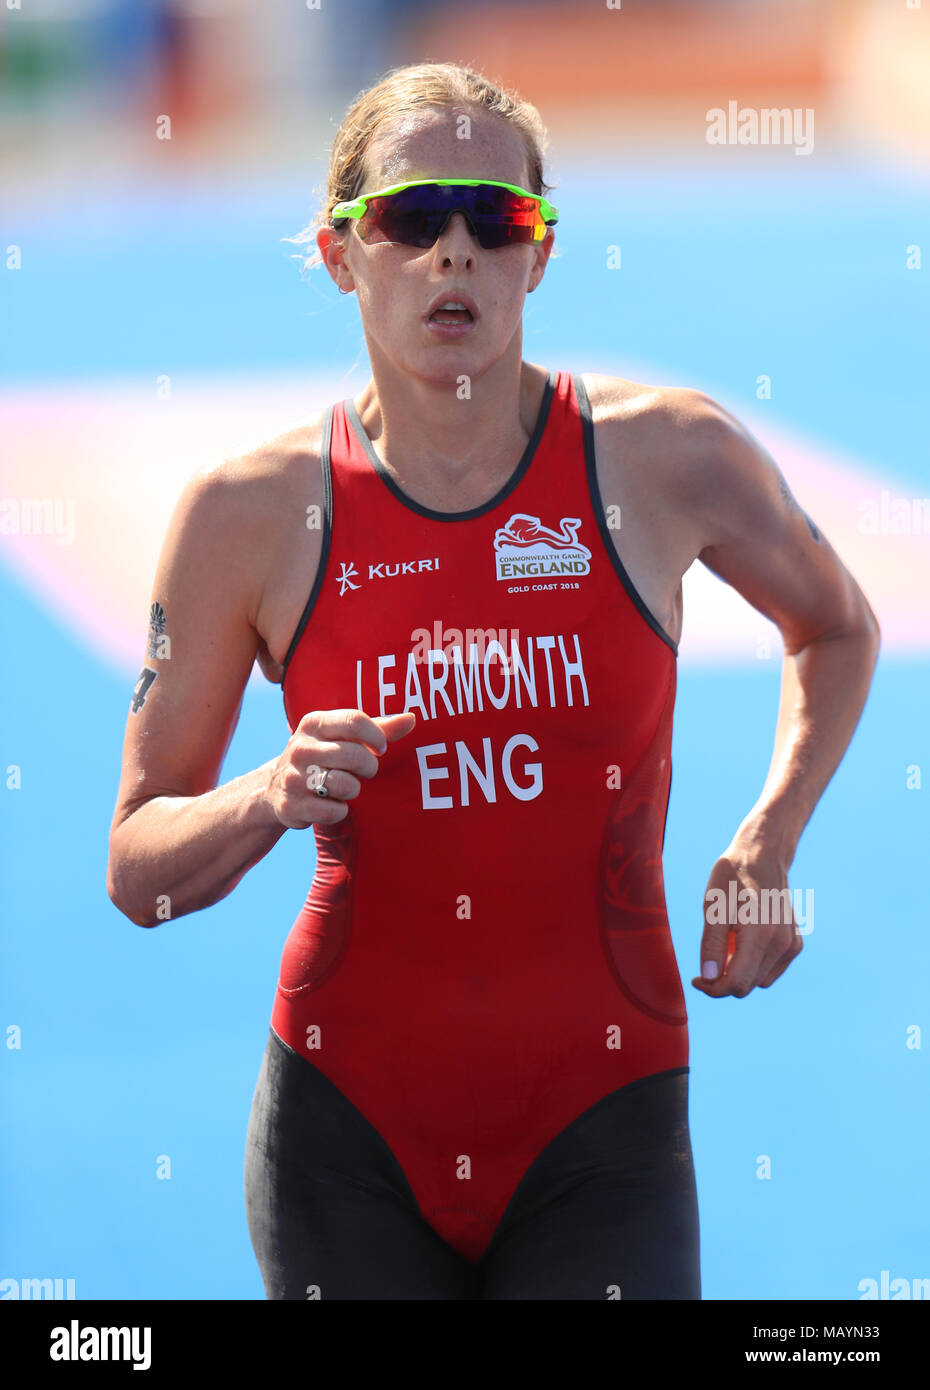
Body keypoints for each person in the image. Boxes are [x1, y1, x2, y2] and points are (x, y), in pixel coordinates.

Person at [106, 62, 880, 1301]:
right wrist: (266, 795)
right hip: (348, 1136)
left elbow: (837, 626)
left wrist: (771, 835)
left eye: (494, 219)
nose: (453, 253)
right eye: (412, 220)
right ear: (340, 252)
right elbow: (136, 871)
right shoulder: (244, 517)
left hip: (608, 1124)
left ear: (542, 251)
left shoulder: (669, 456)